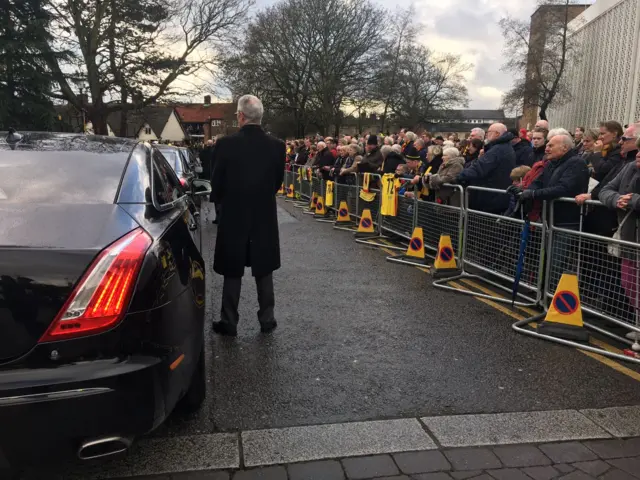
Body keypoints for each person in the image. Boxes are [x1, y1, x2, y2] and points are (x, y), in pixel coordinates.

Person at [210, 95, 284, 336]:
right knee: (264, 268)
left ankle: (229, 321)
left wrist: (222, 202)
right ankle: (267, 318)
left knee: (232, 268)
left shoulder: (226, 145)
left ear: (241, 116)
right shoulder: (277, 146)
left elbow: (217, 182)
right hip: (263, 212)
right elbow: (277, 182)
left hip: (234, 212)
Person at [456, 123, 516, 214]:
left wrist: (458, 176)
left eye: (489, 132)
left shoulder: (498, 149)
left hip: (490, 198)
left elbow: (479, 168)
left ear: (497, 134)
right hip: (495, 196)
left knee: (480, 225)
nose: (486, 134)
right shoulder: (504, 147)